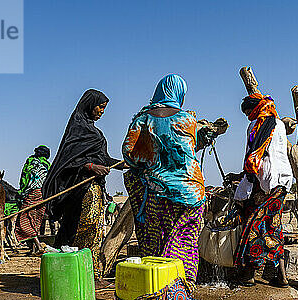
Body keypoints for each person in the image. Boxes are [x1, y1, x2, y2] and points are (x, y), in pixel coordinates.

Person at [122, 74, 206, 284]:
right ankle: (183, 299)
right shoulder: (188, 119)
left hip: (157, 194)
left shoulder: (142, 120)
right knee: (185, 245)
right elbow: (188, 150)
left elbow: (129, 153)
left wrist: (149, 162)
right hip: (191, 194)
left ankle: (160, 298)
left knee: (156, 244)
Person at [42, 89, 121, 278]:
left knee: (91, 228)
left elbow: (104, 159)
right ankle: (79, 273)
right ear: (89, 105)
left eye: (104, 109)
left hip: (93, 187)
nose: (101, 112)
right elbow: (67, 161)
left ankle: (83, 273)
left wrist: (124, 164)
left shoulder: (95, 131)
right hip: (77, 188)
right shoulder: (78, 128)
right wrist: (91, 166)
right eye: (100, 107)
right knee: (80, 227)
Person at [232, 93, 293, 287]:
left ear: (255, 108)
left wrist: (243, 177)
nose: (248, 115)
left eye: (249, 111)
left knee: (253, 225)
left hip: (263, 182)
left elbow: (253, 156)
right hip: (281, 182)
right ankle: (281, 276)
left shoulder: (255, 125)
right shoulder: (279, 124)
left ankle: (249, 273)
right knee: (274, 226)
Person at [14, 145, 51, 254]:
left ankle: (38, 246)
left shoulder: (30, 162)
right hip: (43, 195)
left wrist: (22, 193)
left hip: (31, 193)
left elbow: (25, 179)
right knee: (36, 219)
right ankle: (35, 247)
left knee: (24, 219)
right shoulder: (47, 165)